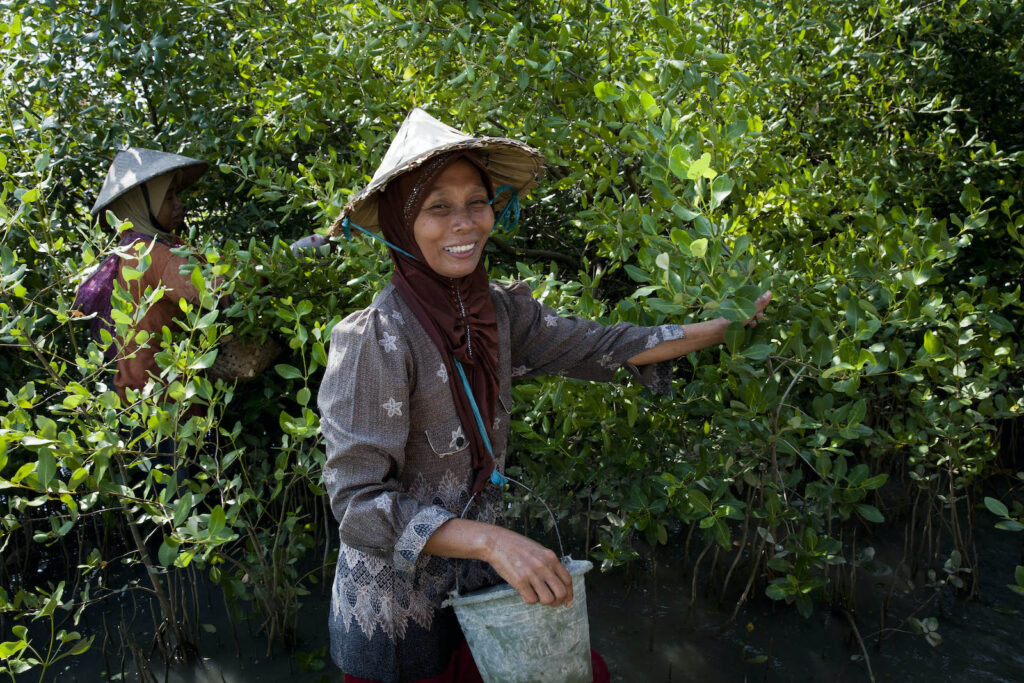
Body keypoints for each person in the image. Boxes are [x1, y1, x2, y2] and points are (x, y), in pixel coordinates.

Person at [317, 109, 771, 683]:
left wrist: (721, 327)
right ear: (403, 225)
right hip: (396, 615)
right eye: (437, 207)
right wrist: (491, 541)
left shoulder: (500, 313)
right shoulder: (375, 340)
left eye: (476, 202)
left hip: (479, 590)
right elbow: (358, 506)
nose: (465, 223)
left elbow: (600, 344)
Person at [74, 147, 213, 408]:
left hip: (138, 402)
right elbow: (214, 288)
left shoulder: (139, 247)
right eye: (168, 197)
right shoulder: (150, 254)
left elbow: (209, 266)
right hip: (162, 409)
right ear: (142, 206)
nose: (178, 204)